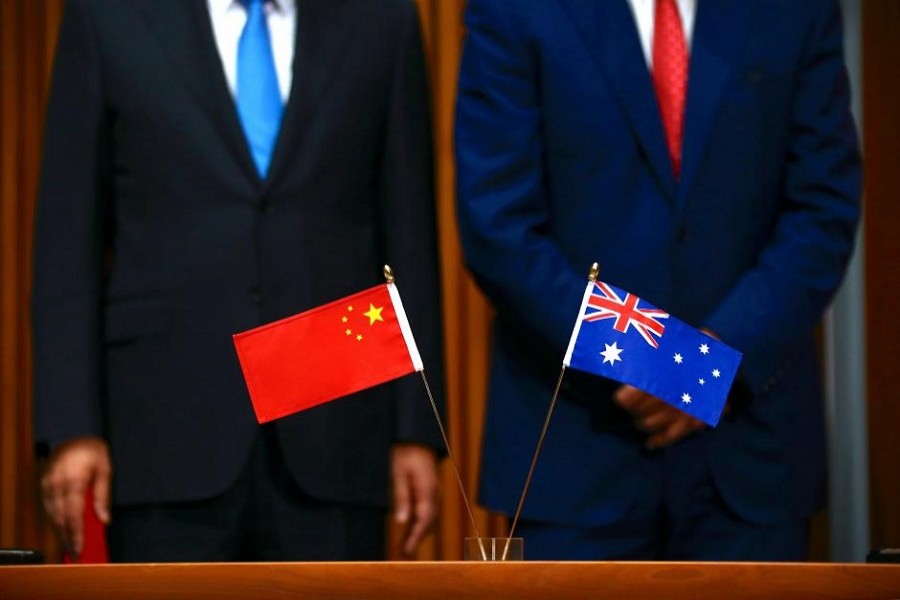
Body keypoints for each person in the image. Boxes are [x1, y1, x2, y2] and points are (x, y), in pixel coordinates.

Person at [33, 0, 444, 562]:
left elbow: (410, 233)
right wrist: (71, 426)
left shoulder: (380, 19)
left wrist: (416, 428)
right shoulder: (109, 16)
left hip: (336, 426)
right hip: (163, 431)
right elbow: (67, 238)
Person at [455, 0, 861, 560]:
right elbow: (497, 226)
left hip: (749, 460)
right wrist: (657, 360)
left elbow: (823, 209)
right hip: (575, 455)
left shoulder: (796, 10)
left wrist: (709, 368)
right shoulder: (517, 10)